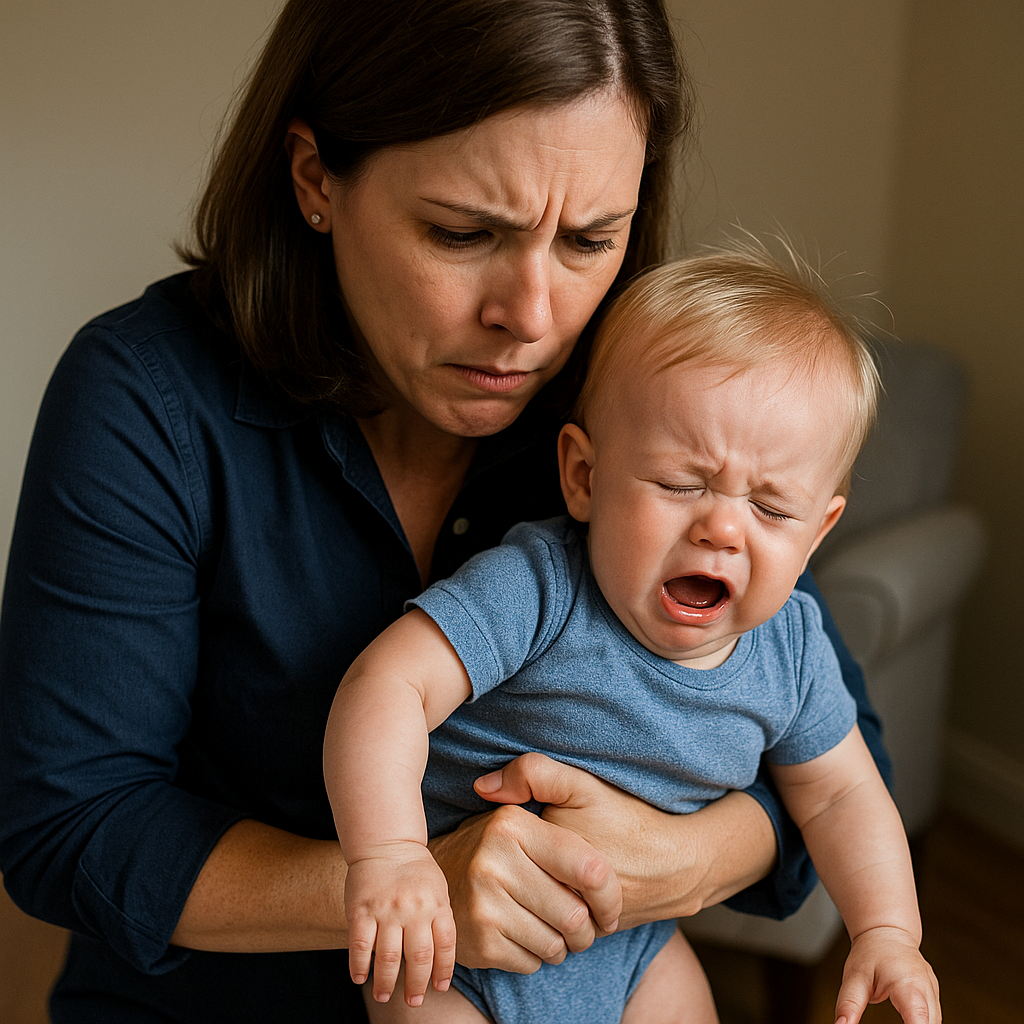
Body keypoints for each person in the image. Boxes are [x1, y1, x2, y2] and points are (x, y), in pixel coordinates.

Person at [0, 2, 887, 1022]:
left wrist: (673, 861)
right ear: (314, 178)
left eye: (592, 238)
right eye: (464, 233)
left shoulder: (648, 403)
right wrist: (405, 883)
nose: (533, 317)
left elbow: (833, 740)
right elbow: (71, 824)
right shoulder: (145, 398)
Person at [325, 248, 941, 1024]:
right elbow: (387, 685)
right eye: (683, 483)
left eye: (773, 510)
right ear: (584, 476)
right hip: (454, 954)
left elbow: (845, 792)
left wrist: (888, 930)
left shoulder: (792, 650)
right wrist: (390, 858)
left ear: (817, 535)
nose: (723, 527)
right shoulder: (540, 585)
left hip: (632, 952)